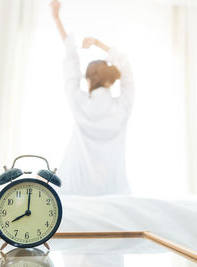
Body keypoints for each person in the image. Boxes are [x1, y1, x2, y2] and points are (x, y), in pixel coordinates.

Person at [50, 0, 134, 195]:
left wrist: (56, 18)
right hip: (115, 192)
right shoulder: (122, 108)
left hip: (75, 190)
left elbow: (71, 57)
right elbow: (127, 68)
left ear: (87, 79)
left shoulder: (79, 103)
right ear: (112, 80)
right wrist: (98, 43)